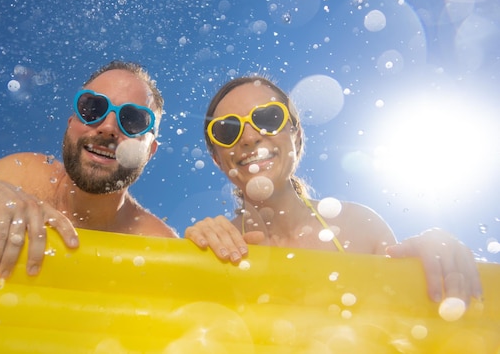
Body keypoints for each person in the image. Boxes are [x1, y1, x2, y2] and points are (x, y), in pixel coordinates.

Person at [185, 75, 482, 304]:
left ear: (296, 136)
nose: (249, 137)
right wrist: (193, 257)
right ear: (218, 159)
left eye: (267, 118)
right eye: (227, 129)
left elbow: (404, 323)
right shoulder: (216, 250)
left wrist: (434, 254)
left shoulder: (360, 228)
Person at [0, 60, 178, 278]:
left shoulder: (156, 245)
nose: (107, 127)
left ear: (149, 151)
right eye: (93, 108)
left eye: (133, 121)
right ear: (70, 126)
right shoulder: (23, 175)